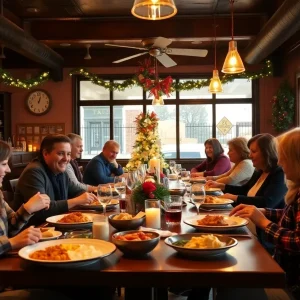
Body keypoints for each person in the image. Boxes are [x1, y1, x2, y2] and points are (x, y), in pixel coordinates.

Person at [220, 128, 300, 300]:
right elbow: (288, 214)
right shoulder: (296, 189)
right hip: (280, 267)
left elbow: (297, 241)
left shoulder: (279, 175)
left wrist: (263, 222)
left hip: (291, 282)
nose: (281, 160)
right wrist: (264, 212)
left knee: (228, 279)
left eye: (284, 155)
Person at [206, 133, 287, 253]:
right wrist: (223, 186)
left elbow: (267, 202)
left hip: (263, 236)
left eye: (254, 152)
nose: (250, 155)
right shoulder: (259, 170)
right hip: (246, 225)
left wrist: (234, 197)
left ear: (266, 152)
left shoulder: (279, 173)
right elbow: (245, 190)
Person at [12, 134, 98, 226]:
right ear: (45, 153)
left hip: (55, 225)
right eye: (60, 153)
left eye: (68, 154)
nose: (66, 159)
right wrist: (76, 201)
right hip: (34, 231)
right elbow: (42, 211)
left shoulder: (61, 171)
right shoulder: (34, 172)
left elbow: (75, 191)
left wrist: (86, 196)